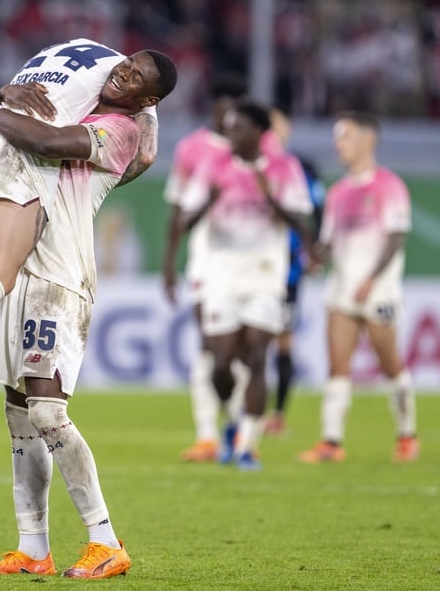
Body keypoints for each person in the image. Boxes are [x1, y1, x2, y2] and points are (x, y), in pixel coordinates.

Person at [0, 51, 177, 578]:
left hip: (60, 276)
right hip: (16, 267)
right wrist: (3, 96)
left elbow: (47, 143)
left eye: (135, 79)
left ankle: (105, 541)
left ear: (146, 101)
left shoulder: (121, 130)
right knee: (18, 415)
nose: (120, 74)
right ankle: (33, 547)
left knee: (46, 412)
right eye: (124, 65)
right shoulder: (68, 101)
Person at [0, 39, 161, 455]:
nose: (123, 74)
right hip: (17, 143)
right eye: (128, 69)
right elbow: (144, 153)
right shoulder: (127, 84)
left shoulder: (70, 49)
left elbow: (13, 93)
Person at [179, 100, 313, 471]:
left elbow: (302, 220)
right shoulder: (213, 167)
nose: (229, 134)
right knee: (220, 363)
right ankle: (234, 419)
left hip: (266, 274)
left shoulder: (285, 169)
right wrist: (208, 202)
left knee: (256, 357)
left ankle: (247, 446)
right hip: (221, 273)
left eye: (237, 127)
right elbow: (186, 219)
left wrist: (272, 199)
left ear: (259, 132)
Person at [299, 112, 418, 464]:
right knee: (338, 367)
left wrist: (372, 278)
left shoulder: (389, 186)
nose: (339, 144)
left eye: (346, 137)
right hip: (342, 289)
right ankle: (332, 442)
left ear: (368, 140)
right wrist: (315, 256)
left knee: (390, 364)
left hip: (379, 290)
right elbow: (329, 242)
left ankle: (407, 435)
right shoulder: (338, 193)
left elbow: (396, 237)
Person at [162, 75, 251, 463]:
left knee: (240, 348)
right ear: (213, 109)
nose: (228, 116)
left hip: (251, 264)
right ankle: (208, 436)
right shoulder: (192, 150)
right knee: (208, 344)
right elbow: (179, 209)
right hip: (204, 260)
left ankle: (235, 425)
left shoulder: (257, 151)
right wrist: (169, 264)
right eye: (223, 108)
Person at [260, 106, 326, 436]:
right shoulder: (248, 163)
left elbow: (319, 212)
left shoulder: (303, 168)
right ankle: (246, 412)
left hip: (288, 271)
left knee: (283, 340)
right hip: (252, 268)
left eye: (277, 124)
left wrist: (315, 251)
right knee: (250, 340)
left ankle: (278, 413)